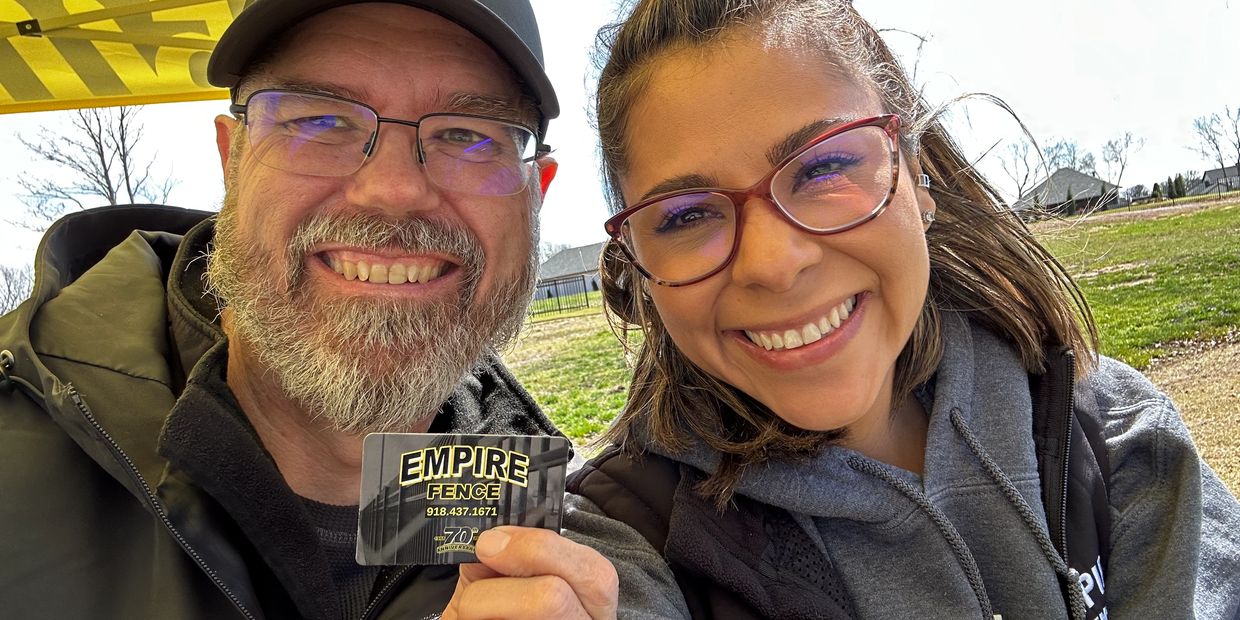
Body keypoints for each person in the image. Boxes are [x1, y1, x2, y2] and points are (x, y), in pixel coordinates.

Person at [562, 0, 1240, 618]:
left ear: (916, 176)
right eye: (684, 215)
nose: (773, 263)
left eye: (823, 168)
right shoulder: (619, 545)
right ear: (637, 265)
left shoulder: (1116, 437)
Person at [0, 1, 617, 618]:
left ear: (535, 197)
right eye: (321, 120)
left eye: (467, 135)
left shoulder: (570, 527)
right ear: (232, 159)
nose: (394, 190)